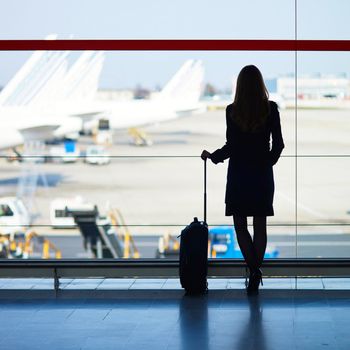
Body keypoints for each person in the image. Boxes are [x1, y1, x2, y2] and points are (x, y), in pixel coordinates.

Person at [201, 65, 284, 294]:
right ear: (260, 84)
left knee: (240, 227)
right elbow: (279, 144)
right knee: (260, 226)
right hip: (261, 175)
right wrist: (267, 162)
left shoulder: (232, 111)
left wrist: (213, 156)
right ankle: (256, 271)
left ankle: (254, 270)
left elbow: (232, 146)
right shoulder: (271, 109)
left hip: (239, 175)